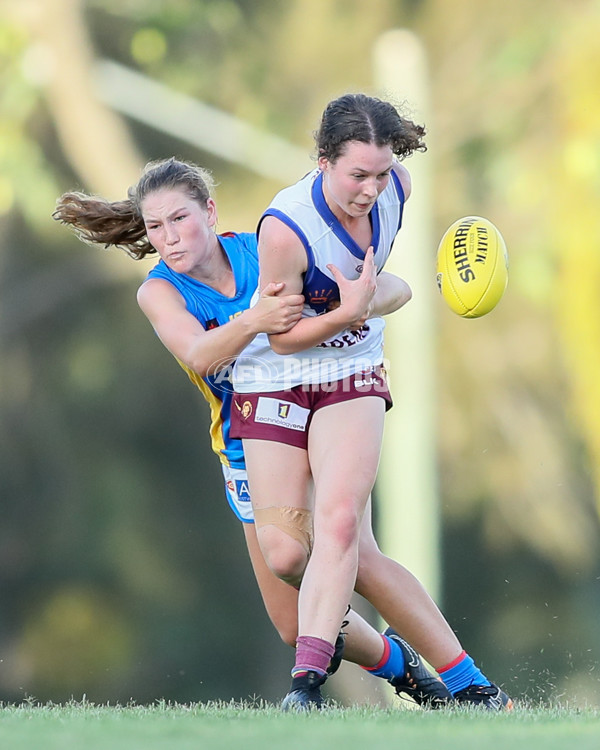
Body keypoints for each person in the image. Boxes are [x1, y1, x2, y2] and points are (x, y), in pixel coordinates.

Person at [53, 156, 509, 711]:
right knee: (292, 613)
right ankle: (401, 666)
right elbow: (199, 355)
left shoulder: (266, 247)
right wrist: (255, 319)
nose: (170, 238)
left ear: (211, 212)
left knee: (355, 550)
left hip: (318, 414)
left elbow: (389, 287)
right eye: (156, 227)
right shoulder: (159, 292)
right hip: (246, 443)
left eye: (181, 219)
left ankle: (471, 687)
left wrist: (358, 305)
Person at [231, 93, 513, 711]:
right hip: (277, 378)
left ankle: (307, 687)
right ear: (324, 160)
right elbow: (279, 340)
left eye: (380, 173)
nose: (370, 189)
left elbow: (378, 279)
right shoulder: (286, 229)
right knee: (287, 553)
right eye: (357, 174)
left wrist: (383, 299)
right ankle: (420, 667)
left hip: (352, 371)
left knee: (338, 521)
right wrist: (355, 307)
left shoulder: (397, 190)